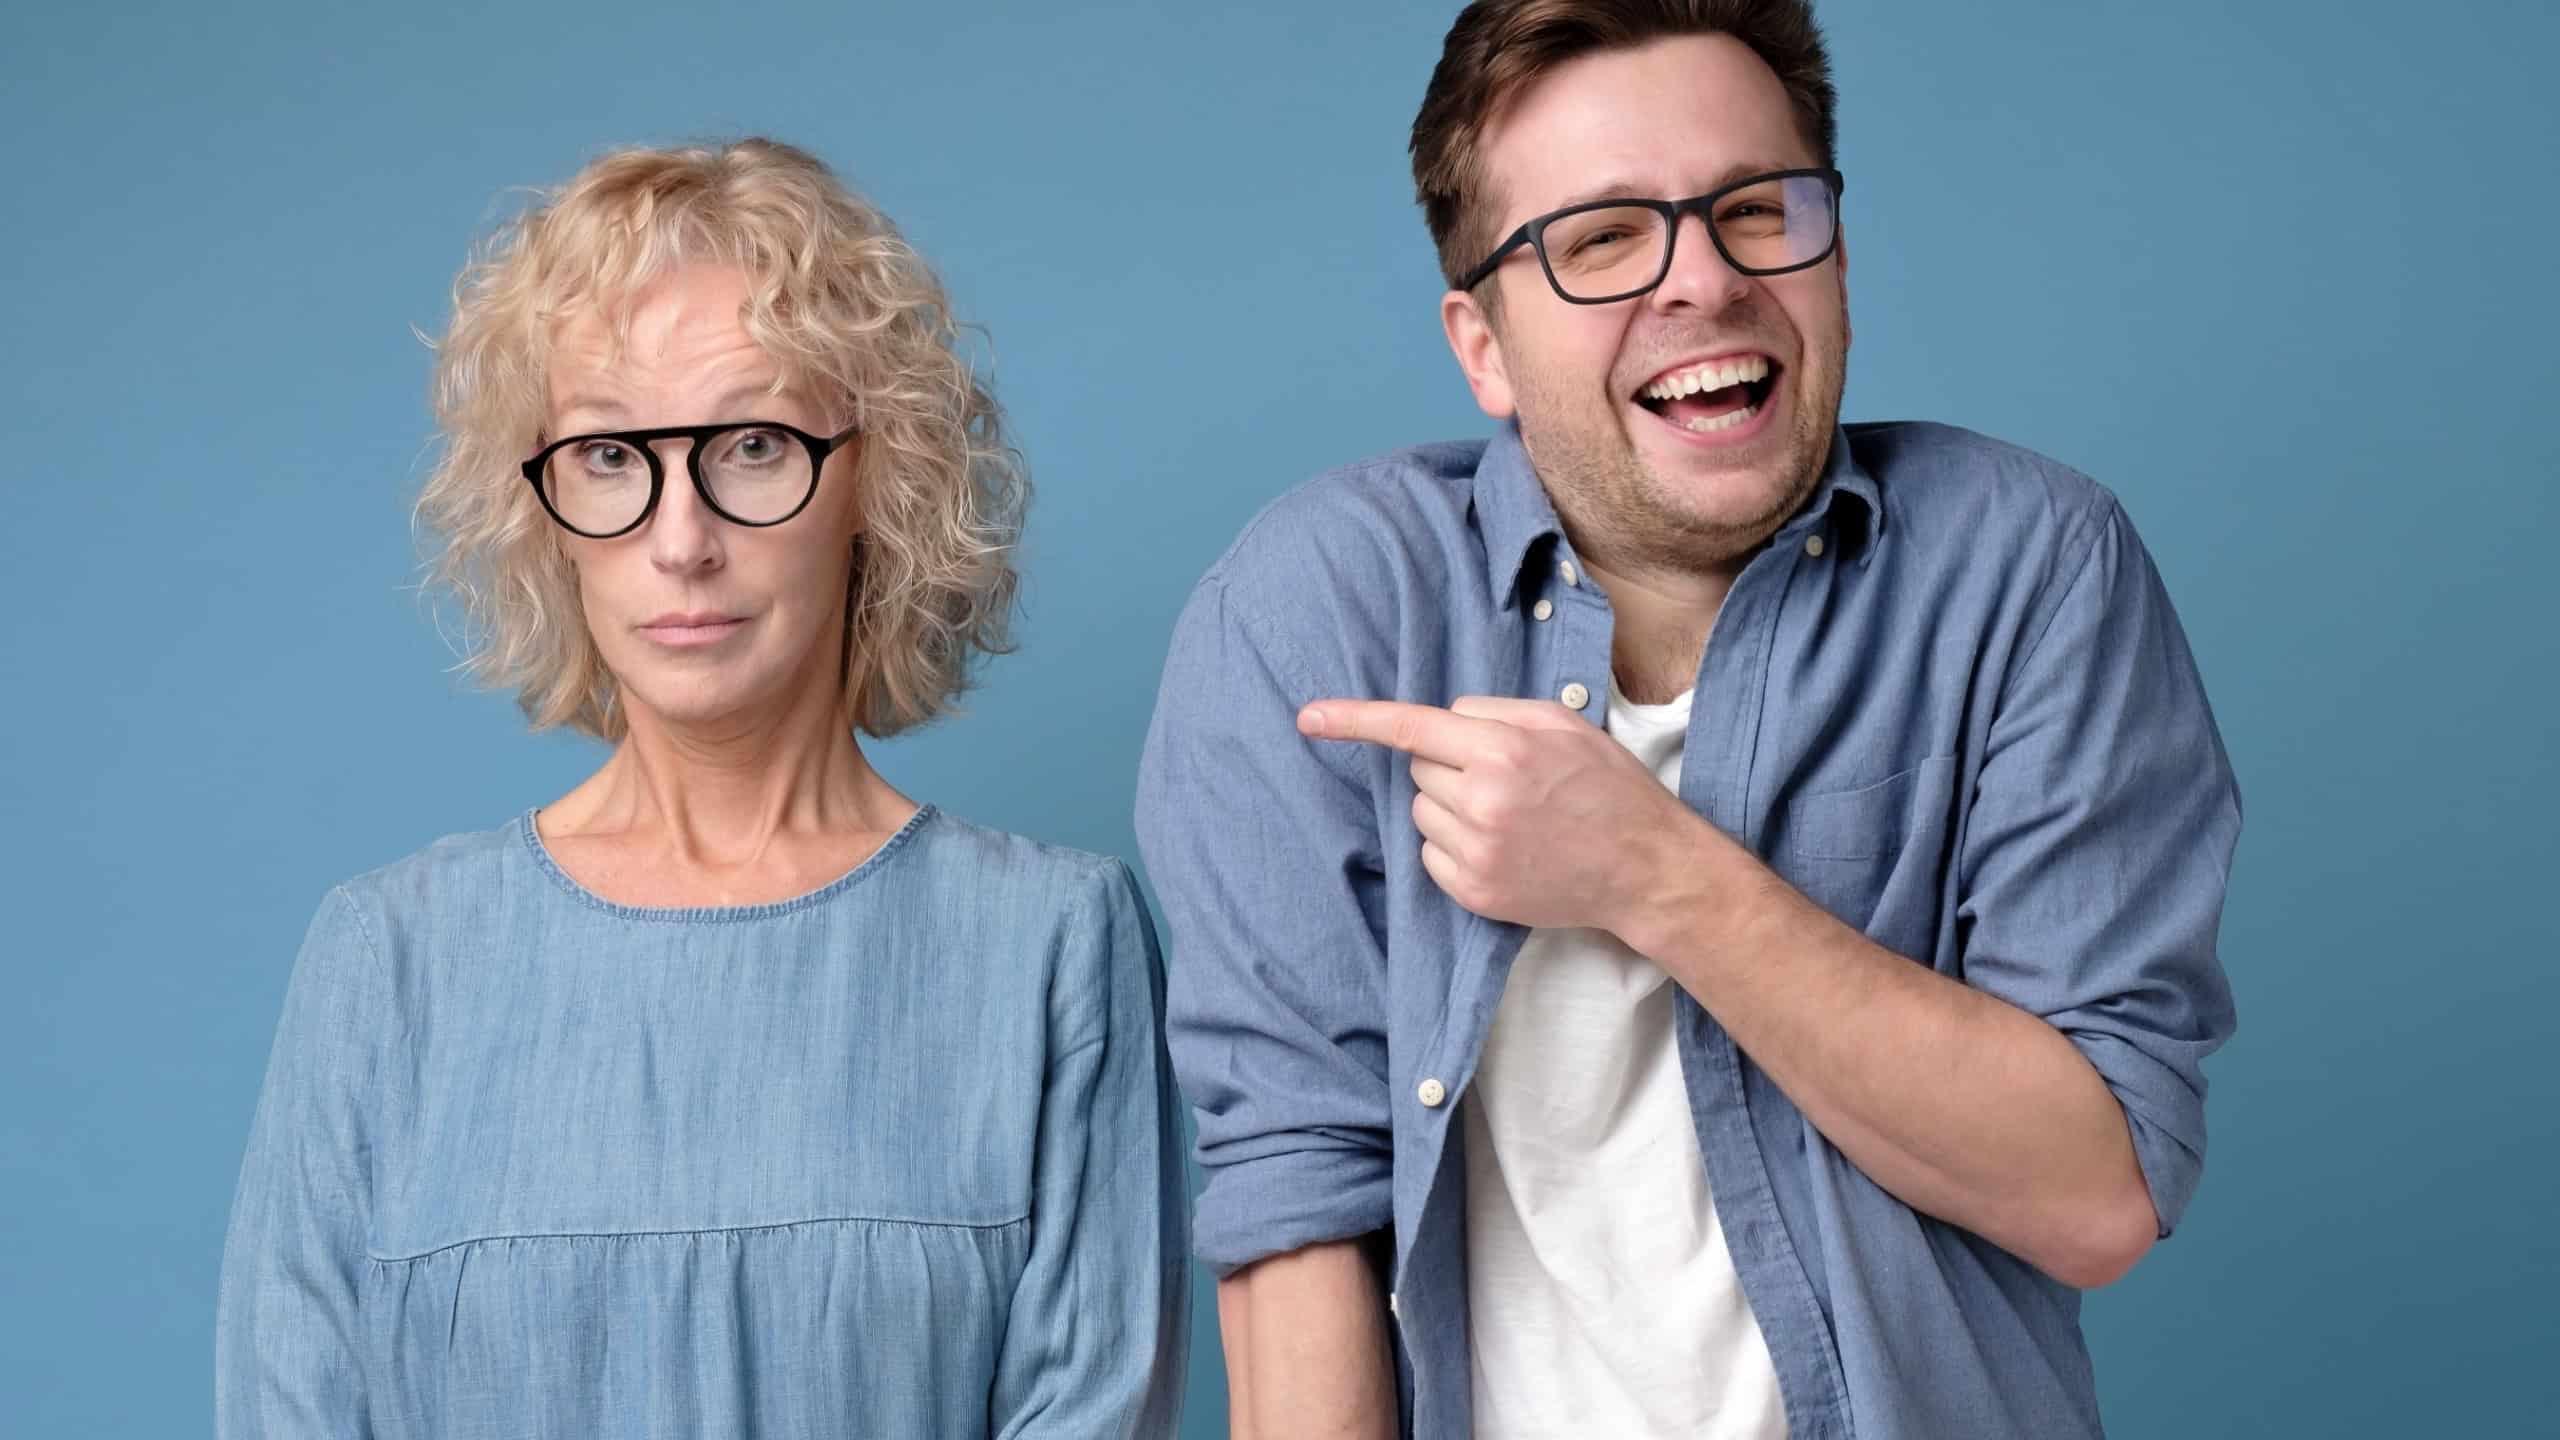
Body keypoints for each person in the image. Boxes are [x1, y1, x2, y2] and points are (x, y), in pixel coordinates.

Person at [1135, 3, 2240, 1437]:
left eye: (1755, 210)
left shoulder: (2030, 568)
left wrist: (1653, 874)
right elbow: (1297, 1207)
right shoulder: (1316, 609)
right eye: (1602, 239)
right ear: (1484, 343)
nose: (1704, 283)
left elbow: (2095, 1191)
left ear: (1833, 253)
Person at [217, 138, 1186, 1438]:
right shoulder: (389, 959)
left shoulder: (1055, 945)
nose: (681, 540)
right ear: (545, 514)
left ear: (877, 480)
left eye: (750, 444)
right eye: (612, 457)